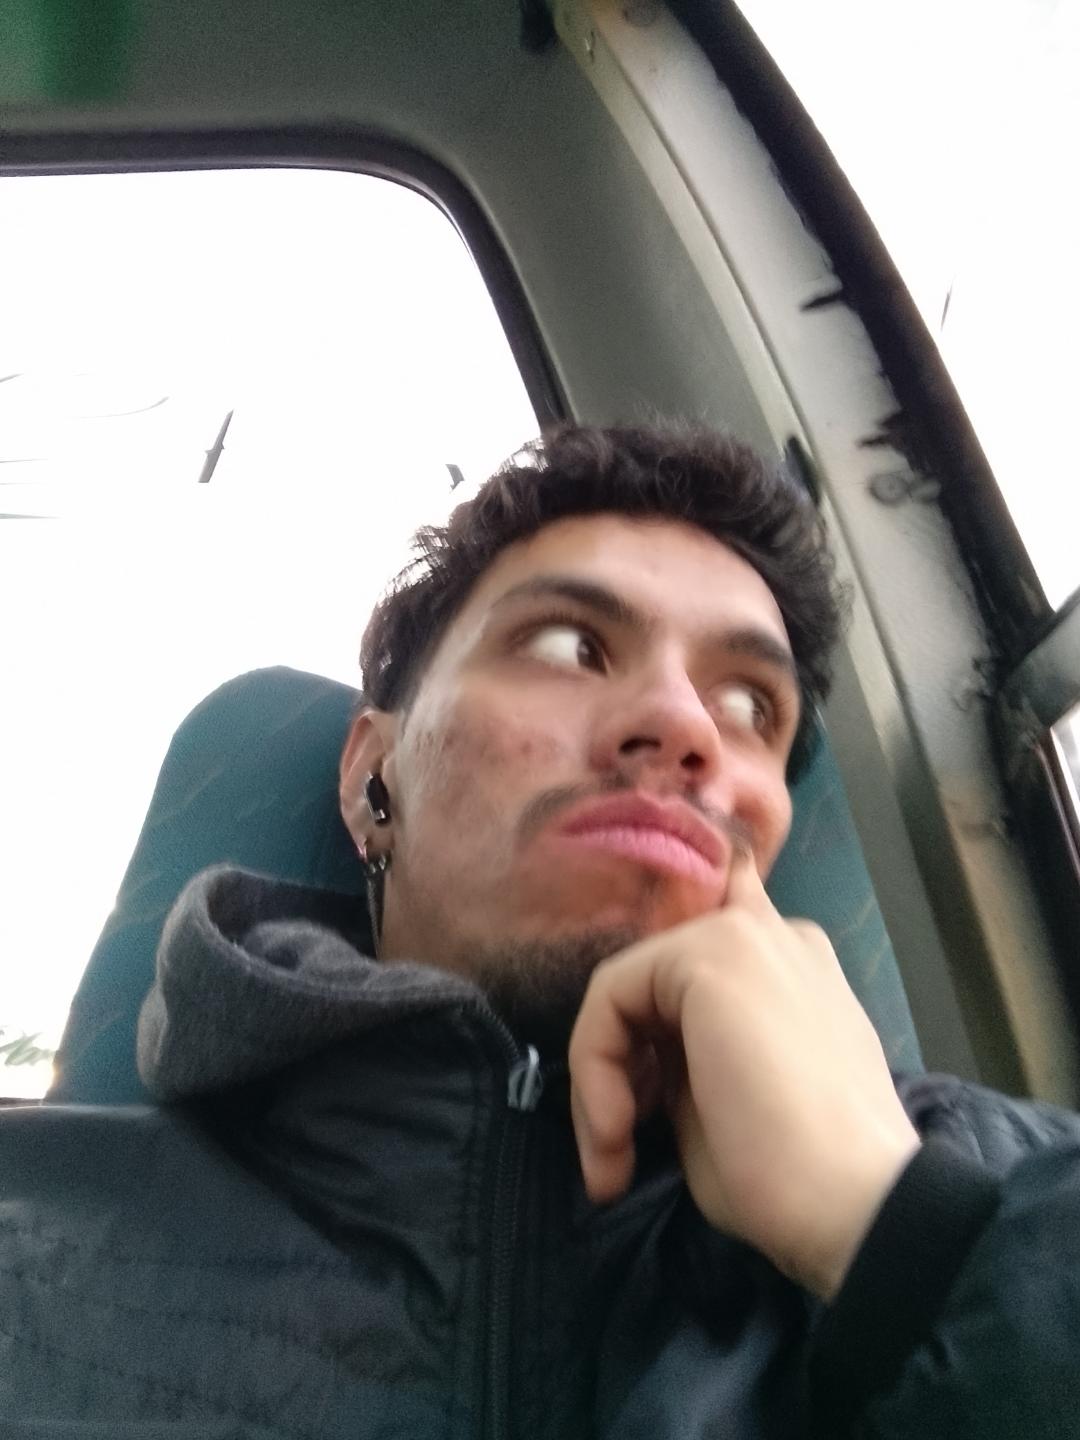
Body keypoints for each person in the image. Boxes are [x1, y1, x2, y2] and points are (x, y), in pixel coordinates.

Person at [4, 424, 1080, 1437]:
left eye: (752, 705)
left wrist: (901, 1237)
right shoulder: (29, 1238)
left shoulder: (1029, 1192)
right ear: (373, 774)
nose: (686, 725)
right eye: (570, 645)